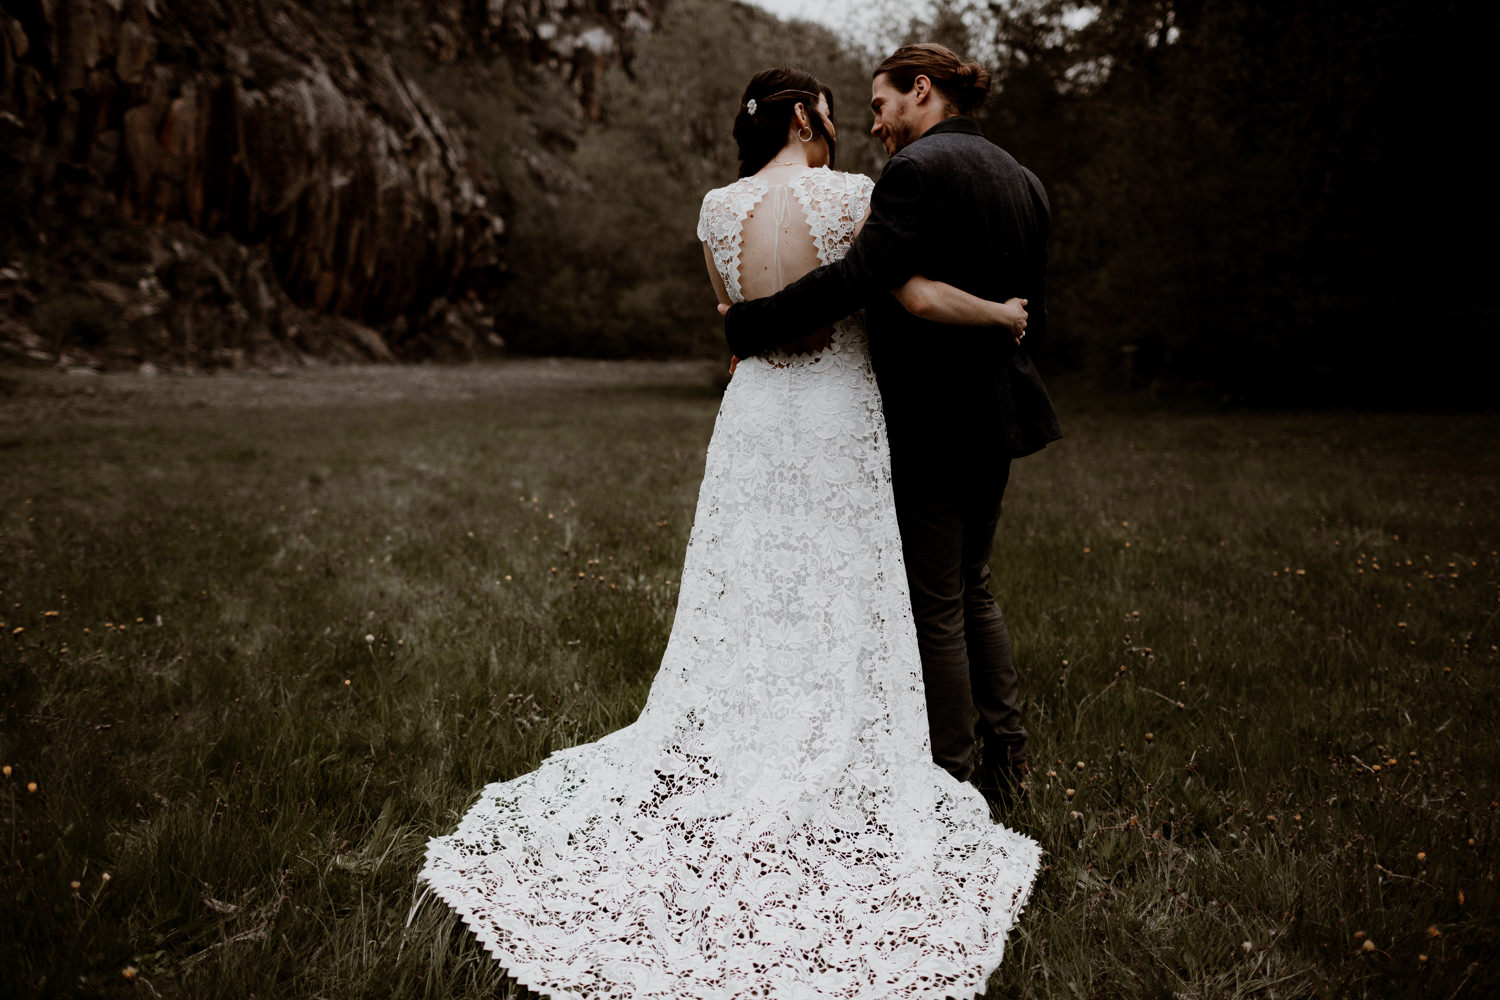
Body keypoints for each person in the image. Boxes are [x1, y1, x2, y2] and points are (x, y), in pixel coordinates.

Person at [419, 65, 1039, 999]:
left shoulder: (715, 208)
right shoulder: (853, 196)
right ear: (803, 114)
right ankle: (879, 746)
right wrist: (998, 313)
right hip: (836, 408)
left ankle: (749, 735)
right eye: (835, 109)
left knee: (747, 583)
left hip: (755, 414)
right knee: (846, 583)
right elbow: (890, 294)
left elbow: (730, 319)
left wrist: (749, 325)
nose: (848, 123)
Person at [723, 44, 1062, 808]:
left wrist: (748, 325)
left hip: (935, 415)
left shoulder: (916, 173)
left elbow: (857, 279)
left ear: (921, 89)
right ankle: (1009, 759)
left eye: (880, 105)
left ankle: (950, 778)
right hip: (1000, 412)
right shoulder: (1026, 180)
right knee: (973, 585)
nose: (873, 124)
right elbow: (1030, 318)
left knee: (936, 598)